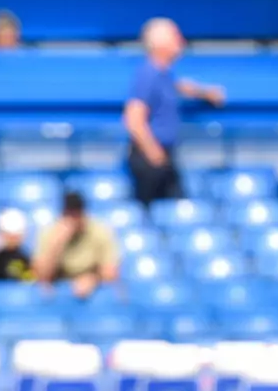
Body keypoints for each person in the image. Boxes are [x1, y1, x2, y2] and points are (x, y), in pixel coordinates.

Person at [124, 18, 226, 208]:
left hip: (163, 155)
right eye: (175, 37)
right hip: (151, 157)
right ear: (160, 43)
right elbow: (133, 119)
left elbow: (179, 86)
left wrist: (205, 93)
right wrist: (153, 152)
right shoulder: (148, 74)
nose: (181, 42)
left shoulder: (164, 74)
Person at [32, 192, 120, 298]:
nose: (73, 219)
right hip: (59, 294)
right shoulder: (49, 233)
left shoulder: (100, 231)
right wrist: (56, 245)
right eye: (69, 214)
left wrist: (92, 279)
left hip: (93, 294)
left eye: (76, 214)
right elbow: (41, 276)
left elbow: (110, 273)